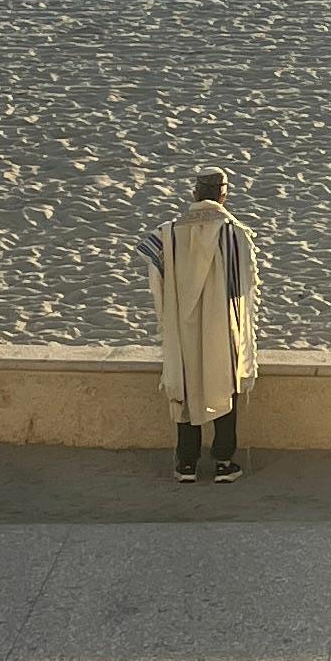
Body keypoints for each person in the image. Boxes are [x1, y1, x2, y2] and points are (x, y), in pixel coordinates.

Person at [146, 166, 259, 481]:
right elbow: (243, 285)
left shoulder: (168, 232)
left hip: (182, 322)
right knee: (224, 380)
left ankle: (187, 464)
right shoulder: (234, 232)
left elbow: (155, 272)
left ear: (194, 194)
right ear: (224, 194)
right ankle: (224, 461)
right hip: (220, 322)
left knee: (186, 383)